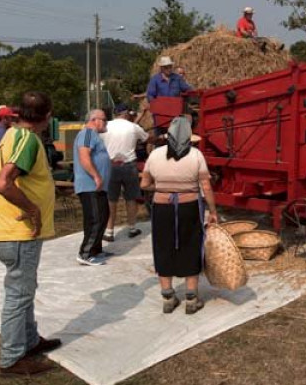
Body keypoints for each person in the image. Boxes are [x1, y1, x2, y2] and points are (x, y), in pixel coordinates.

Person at [0, 91, 60, 376]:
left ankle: (29, 341)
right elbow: (3, 182)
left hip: (12, 228)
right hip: (19, 231)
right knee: (18, 294)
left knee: (25, 291)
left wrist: (13, 199)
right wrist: (31, 208)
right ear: (48, 116)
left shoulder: (11, 134)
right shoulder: (28, 140)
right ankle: (13, 358)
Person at [140, 116, 218, 315]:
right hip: (189, 206)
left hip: (162, 208)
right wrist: (213, 211)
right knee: (191, 245)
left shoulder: (156, 155)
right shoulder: (196, 156)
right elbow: (206, 186)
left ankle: (168, 297)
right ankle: (191, 298)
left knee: (163, 246)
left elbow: (144, 184)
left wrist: (164, 187)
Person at [102, 104, 150, 241]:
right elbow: (146, 138)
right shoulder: (133, 127)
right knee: (131, 198)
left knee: (111, 199)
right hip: (129, 165)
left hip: (110, 165)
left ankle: (109, 231)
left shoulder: (106, 126)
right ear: (127, 114)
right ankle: (132, 228)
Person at [73, 109, 112, 266]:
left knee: (103, 215)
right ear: (95, 120)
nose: (106, 123)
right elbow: (84, 156)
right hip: (90, 185)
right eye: (104, 119)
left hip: (98, 186)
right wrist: (96, 176)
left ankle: (96, 249)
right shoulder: (87, 133)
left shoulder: (95, 136)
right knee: (95, 218)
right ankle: (85, 253)